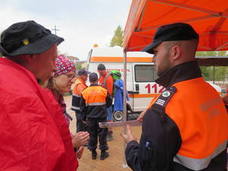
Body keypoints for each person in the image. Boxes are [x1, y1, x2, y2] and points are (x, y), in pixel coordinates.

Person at [121, 23, 228, 171]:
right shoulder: (212, 92)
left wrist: (131, 144)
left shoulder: (164, 111)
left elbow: (146, 167)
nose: (153, 59)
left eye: (156, 53)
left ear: (175, 52)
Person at [0, 20, 77, 170]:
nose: (54, 67)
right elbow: (37, 159)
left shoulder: (12, 82)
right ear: (32, 55)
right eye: (53, 59)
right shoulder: (22, 96)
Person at [45, 55, 89, 159]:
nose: (73, 80)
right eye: (69, 76)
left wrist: (73, 145)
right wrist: (72, 144)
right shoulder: (44, 102)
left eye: (74, 76)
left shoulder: (58, 98)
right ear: (54, 75)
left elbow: (59, 132)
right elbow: (43, 146)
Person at [81, 72, 112, 160]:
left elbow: (82, 107)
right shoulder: (103, 90)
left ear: (89, 80)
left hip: (90, 119)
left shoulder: (85, 92)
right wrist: (103, 108)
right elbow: (109, 102)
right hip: (102, 117)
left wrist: (83, 118)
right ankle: (103, 153)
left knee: (92, 135)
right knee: (102, 135)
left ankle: (93, 153)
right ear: (97, 80)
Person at [97, 63, 114, 140]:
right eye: (99, 71)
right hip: (101, 100)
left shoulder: (108, 78)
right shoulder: (100, 77)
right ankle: (105, 131)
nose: (100, 73)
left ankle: (110, 133)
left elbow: (109, 92)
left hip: (107, 100)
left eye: (101, 71)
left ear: (104, 70)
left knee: (109, 116)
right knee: (104, 117)